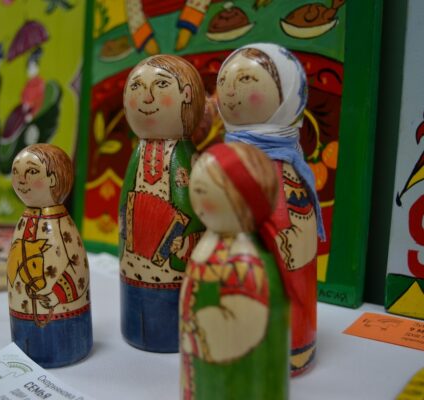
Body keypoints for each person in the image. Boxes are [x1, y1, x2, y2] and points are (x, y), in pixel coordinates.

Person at [217, 43, 323, 375]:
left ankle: (292, 347)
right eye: (225, 82)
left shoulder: (287, 169)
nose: (230, 91)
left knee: (286, 288)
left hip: (284, 259)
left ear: (287, 90)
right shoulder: (229, 163)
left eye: (246, 80)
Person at [180, 142, 289, 400]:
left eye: (204, 190)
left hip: (234, 379)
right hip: (201, 369)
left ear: (241, 198)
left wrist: (198, 333)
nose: (196, 196)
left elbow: (245, 324)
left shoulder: (245, 260)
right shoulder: (211, 242)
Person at [119, 54, 205, 352]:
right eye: (136, 87)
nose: (147, 97)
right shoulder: (138, 154)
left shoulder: (187, 157)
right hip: (134, 267)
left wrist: (187, 240)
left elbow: (198, 210)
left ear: (187, 95)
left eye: (161, 85)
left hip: (178, 268)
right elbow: (127, 209)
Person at [7, 144, 92, 368]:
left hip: (64, 320)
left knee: (60, 339)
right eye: (16, 172)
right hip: (24, 314)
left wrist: (55, 295)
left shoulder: (61, 226)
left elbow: (77, 270)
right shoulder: (25, 221)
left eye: (32, 171)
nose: (21, 180)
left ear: (53, 179)